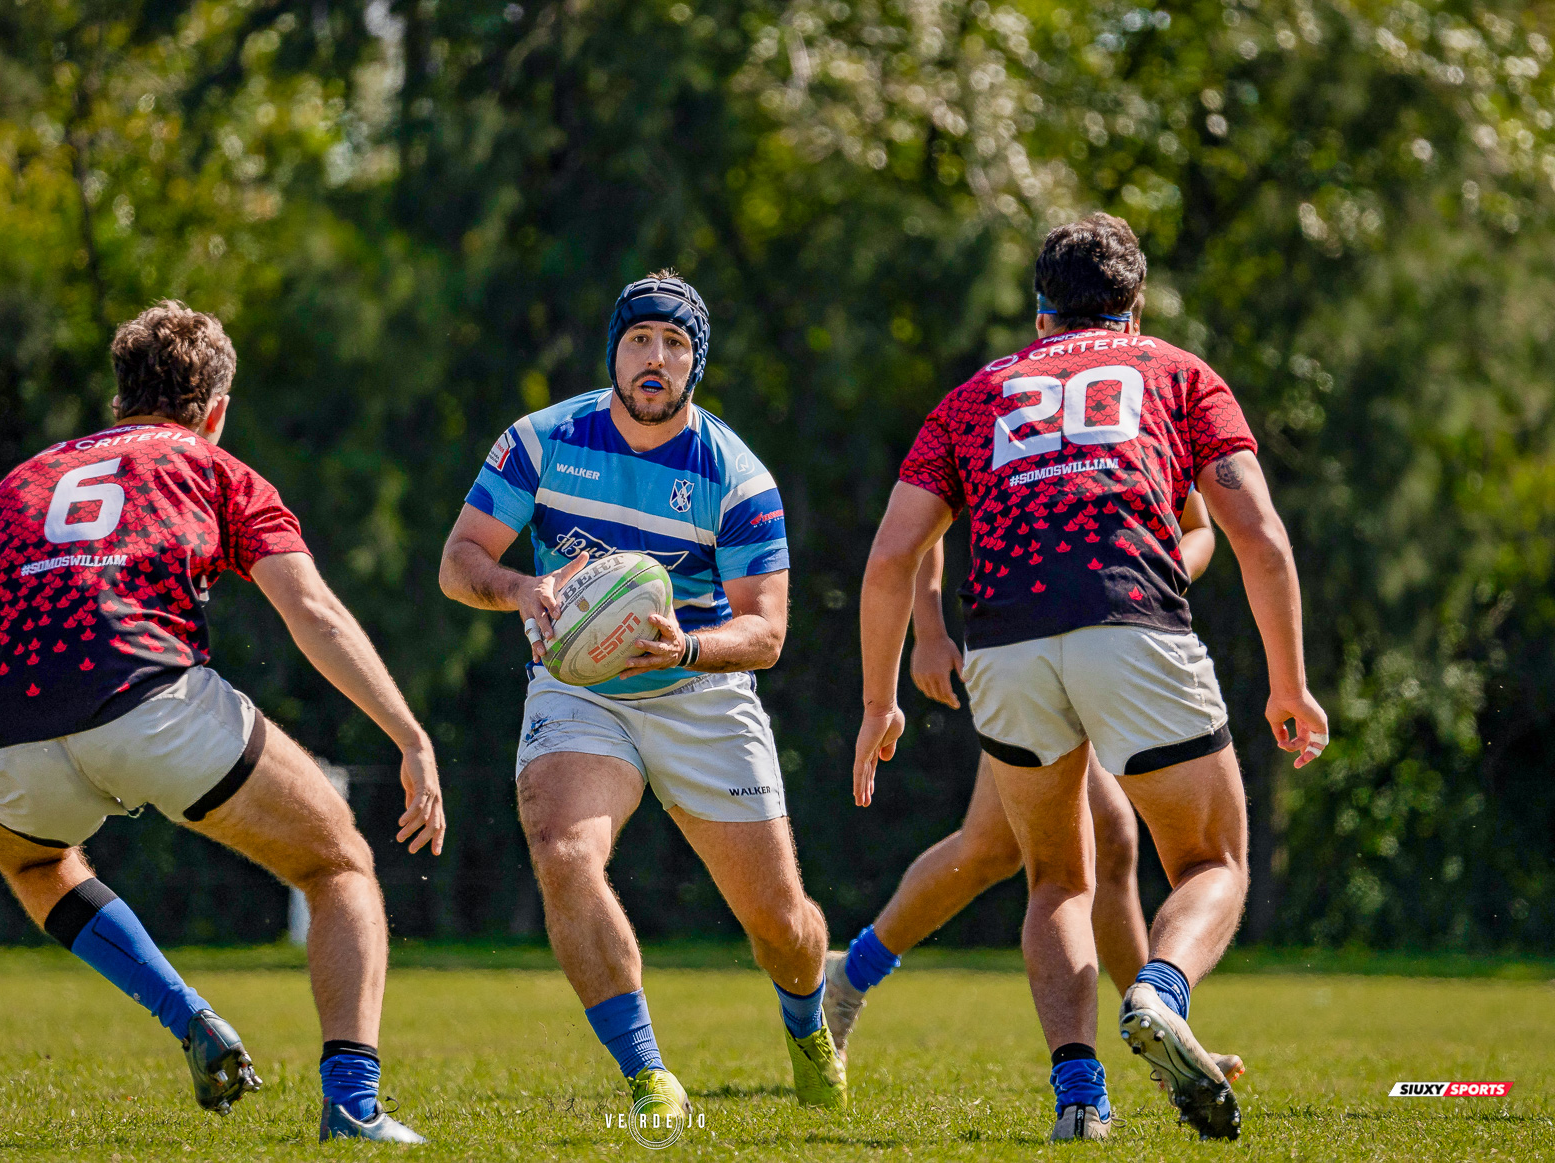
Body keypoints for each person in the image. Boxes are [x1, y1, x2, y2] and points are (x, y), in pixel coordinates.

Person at [0, 301, 442, 1145]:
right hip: (154, 706)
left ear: (118, 398)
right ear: (216, 412)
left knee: (32, 857)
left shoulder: (15, 486)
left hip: (10, 744)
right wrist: (409, 734)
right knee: (340, 866)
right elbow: (313, 614)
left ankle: (184, 1012)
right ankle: (353, 1103)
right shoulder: (216, 467)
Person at [852, 214, 1328, 1142]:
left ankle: (1081, 1099)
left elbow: (889, 559)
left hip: (1004, 642)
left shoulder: (974, 396)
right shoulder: (1179, 372)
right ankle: (1161, 991)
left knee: (1055, 878)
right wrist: (1289, 682)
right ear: (1136, 304)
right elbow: (1259, 538)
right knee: (1210, 860)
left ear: (1040, 314)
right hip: (1130, 624)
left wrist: (880, 701)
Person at [439, 272, 844, 1123]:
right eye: (639, 341)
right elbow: (461, 558)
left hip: (701, 688)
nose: (653, 359)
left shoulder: (735, 474)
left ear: (696, 363)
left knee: (781, 928)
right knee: (563, 854)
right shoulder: (543, 441)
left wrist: (688, 644)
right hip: (579, 687)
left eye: (673, 344)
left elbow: (766, 632)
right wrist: (519, 589)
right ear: (614, 351)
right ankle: (650, 1077)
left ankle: (810, 1023)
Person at [824, 495, 1243, 1083]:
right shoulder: (999, 404)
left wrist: (1159, 567)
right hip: (1026, 643)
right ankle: (1158, 1028)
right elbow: (920, 521)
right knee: (1080, 844)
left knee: (990, 849)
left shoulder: (1149, 411)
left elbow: (1199, 529)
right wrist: (928, 629)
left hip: (1116, 636)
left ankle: (847, 979)